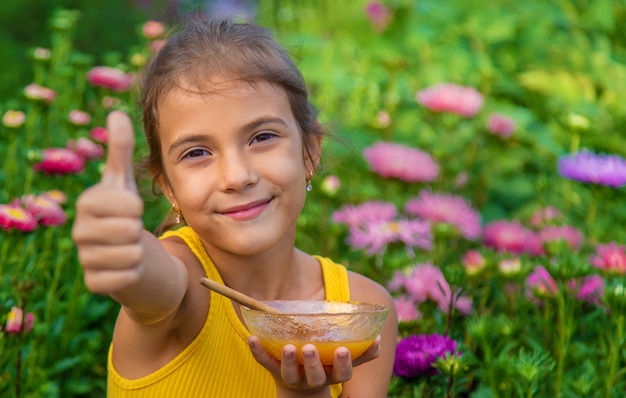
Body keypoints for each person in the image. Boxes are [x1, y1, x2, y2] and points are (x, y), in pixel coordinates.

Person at [72, 17, 398, 398]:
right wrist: (126, 253)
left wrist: (305, 392)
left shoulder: (361, 313)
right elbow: (150, 282)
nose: (236, 176)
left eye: (262, 137)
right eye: (197, 153)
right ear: (168, 187)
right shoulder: (182, 288)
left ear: (310, 153)